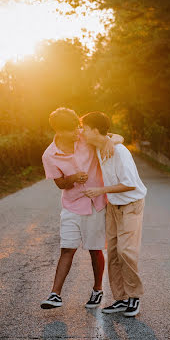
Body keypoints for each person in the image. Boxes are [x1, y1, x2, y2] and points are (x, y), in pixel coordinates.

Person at [40, 107, 123, 310]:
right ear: (59, 131)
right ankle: (55, 294)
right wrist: (73, 178)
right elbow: (60, 184)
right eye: (72, 130)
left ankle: (97, 289)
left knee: (95, 250)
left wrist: (110, 141)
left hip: (96, 204)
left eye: (77, 127)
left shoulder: (85, 137)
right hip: (72, 206)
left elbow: (117, 136)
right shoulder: (50, 155)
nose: (77, 132)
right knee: (67, 248)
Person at [81, 111, 147, 317]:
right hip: (113, 206)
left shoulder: (119, 152)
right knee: (114, 253)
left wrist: (100, 191)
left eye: (85, 128)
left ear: (94, 129)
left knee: (127, 252)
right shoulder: (100, 145)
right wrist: (111, 138)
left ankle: (134, 297)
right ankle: (120, 299)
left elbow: (129, 184)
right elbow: (74, 133)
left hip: (130, 205)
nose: (82, 131)